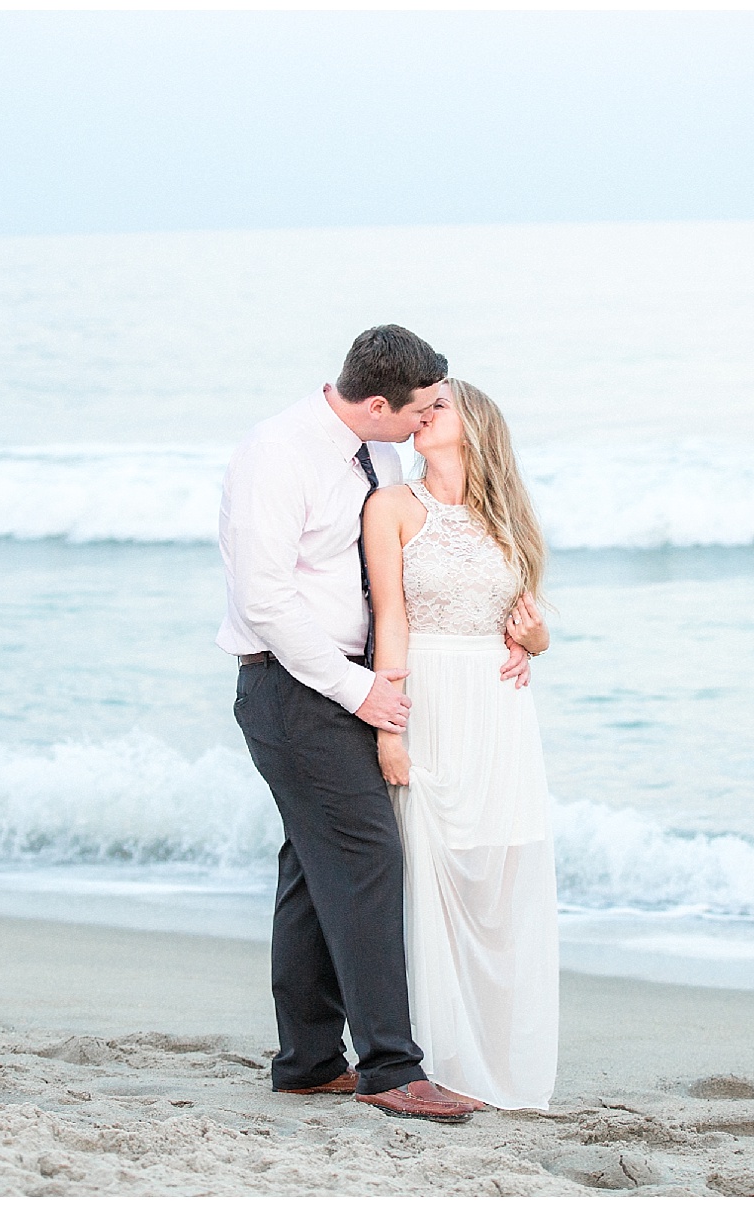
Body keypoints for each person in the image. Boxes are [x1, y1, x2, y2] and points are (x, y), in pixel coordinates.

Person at [216, 326, 530, 1123]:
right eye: (421, 406)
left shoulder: (378, 454)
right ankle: (390, 1066)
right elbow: (264, 600)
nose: (430, 417)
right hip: (294, 688)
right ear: (380, 403)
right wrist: (357, 692)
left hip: (350, 684)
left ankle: (308, 1060)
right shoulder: (277, 452)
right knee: (367, 858)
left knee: (311, 870)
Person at [360, 378, 558, 1110]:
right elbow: (392, 623)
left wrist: (536, 638)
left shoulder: (506, 517)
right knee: (432, 879)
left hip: (501, 712)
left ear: (473, 425)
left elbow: (530, 624)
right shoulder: (393, 507)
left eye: (436, 405)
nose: (421, 415)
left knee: (499, 879)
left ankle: (501, 1062)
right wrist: (390, 728)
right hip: (432, 701)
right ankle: (440, 1061)